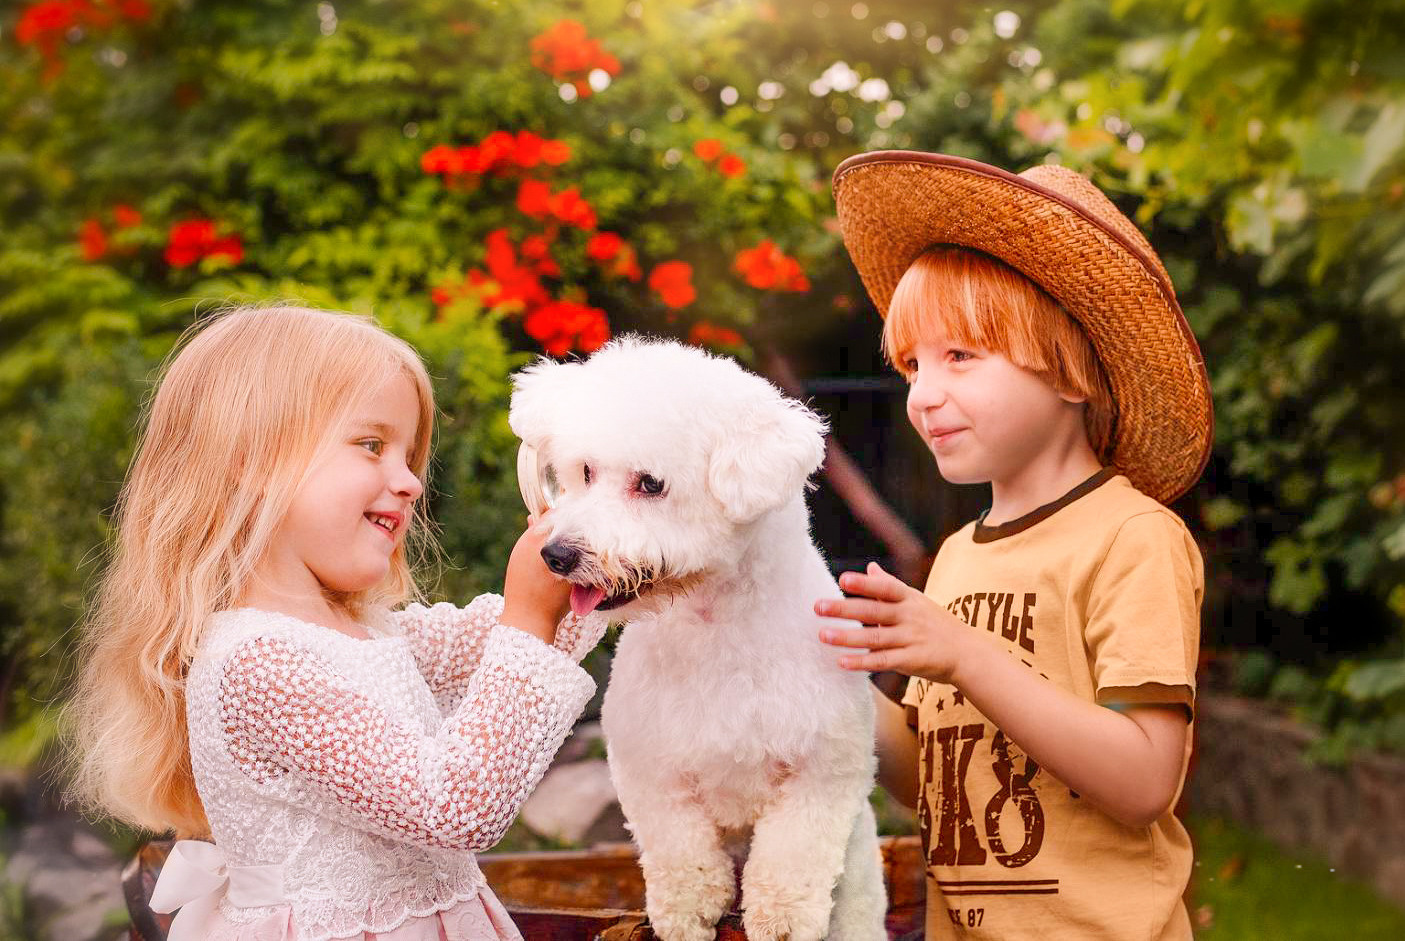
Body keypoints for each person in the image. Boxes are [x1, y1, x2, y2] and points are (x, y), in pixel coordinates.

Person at [65, 305, 606, 941]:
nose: (408, 481)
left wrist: (581, 561)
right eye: (372, 445)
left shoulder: (374, 632)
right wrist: (527, 613)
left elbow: (516, 642)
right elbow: (456, 807)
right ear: (253, 457)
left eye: (410, 456)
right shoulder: (257, 662)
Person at [818, 152, 1214, 940]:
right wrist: (826, 680)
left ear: (1068, 373)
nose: (924, 395)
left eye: (959, 356)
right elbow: (926, 779)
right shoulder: (961, 553)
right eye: (910, 365)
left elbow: (1143, 780)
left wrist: (963, 654)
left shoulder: (1130, 539)